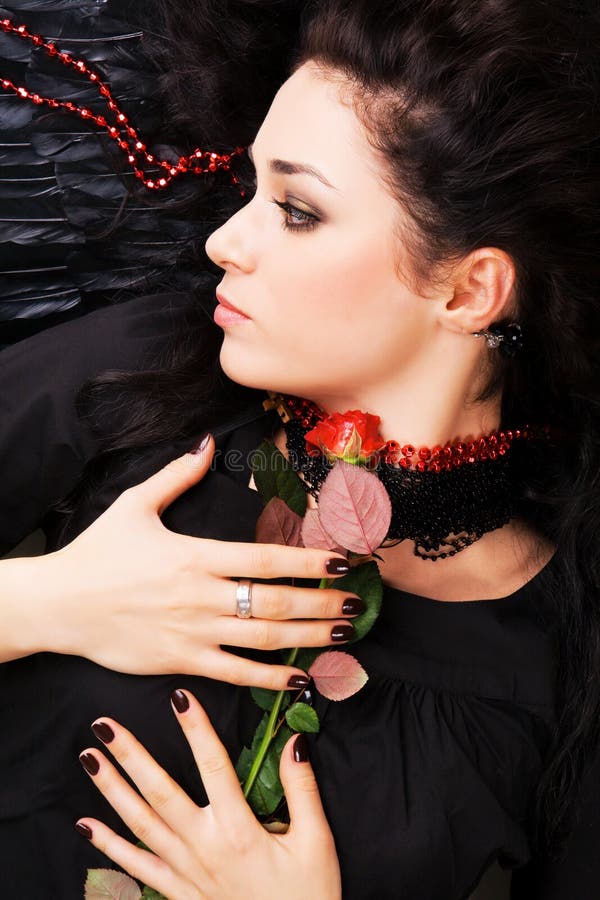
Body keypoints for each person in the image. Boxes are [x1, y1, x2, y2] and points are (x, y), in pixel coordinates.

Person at [1, 0, 599, 897]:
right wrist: (45, 599)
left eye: (297, 210)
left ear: (472, 289)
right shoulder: (148, 374)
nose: (221, 241)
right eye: (250, 192)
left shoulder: (558, 653)